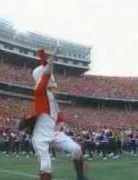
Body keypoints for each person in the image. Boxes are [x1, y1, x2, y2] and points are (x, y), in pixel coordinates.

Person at [24, 47, 88, 180]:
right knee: (46, 166)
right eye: (50, 79)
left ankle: (80, 178)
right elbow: (46, 73)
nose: (53, 81)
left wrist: (60, 124)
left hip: (54, 133)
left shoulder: (51, 97)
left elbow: (59, 117)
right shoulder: (39, 91)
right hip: (41, 136)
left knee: (76, 150)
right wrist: (51, 57)